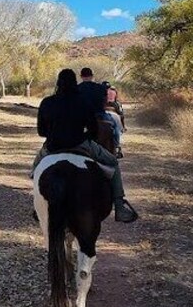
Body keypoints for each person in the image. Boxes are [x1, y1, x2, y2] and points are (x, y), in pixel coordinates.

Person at [33, 69, 138, 223]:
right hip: (80, 143)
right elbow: (93, 129)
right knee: (113, 163)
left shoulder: (47, 102)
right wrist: (84, 137)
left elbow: (41, 132)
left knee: (35, 169)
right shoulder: (82, 101)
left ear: (58, 82)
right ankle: (119, 206)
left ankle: (37, 205)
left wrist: (55, 134)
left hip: (52, 145)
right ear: (75, 81)